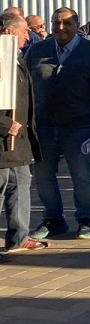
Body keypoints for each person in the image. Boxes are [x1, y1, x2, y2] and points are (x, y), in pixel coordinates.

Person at [27, 8, 90, 241]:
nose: (61, 28)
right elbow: (23, 86)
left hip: (78, 125)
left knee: (81, 174)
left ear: (77, 25)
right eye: (56, 23)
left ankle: (85, 219)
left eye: (67, 23)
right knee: (43, 175)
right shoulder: (37, 50)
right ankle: (53, 219)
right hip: (43, 125)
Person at [0, 13, 43, 256]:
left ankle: (19, 237)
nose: (28, 36)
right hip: (4, 138)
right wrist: (5, 125)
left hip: (21, 140)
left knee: (21, 184)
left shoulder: (16, 58)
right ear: (8, 32)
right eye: (24, 31)